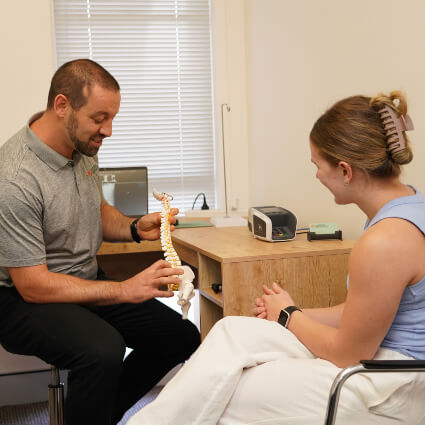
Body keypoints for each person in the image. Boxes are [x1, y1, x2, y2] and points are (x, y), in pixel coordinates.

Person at [126, 91, 425, 425]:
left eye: (318, 165)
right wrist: (287, 312)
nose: (316, 176)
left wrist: (288, 315)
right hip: (381, 359)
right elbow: (364, 313)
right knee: (231, 332)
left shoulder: (384, 241)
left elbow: (349, 353)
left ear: (345, 170)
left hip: (391, 384)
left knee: (224, 389)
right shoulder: (409, 207)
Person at [0, 59, 200, 425]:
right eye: (99, 118)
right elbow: (32, 285)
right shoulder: (14, 179)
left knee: (180, 337)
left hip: (84, 278)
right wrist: (124, 290)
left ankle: (101, 417)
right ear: (62, 106)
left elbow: (98, 209)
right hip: (21, 298)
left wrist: (135, 227)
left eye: (112, 118)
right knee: (102, 350)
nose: (107, 130)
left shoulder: (83, 148)